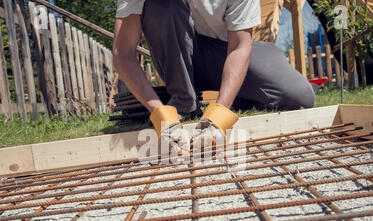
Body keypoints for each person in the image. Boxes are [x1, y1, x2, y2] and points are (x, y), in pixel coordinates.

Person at [113, 0, 315, 156]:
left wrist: (220, 113)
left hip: (225, 53)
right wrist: (159, 112)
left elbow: (239, 47)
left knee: (299, 95)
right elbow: (123, 53)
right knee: (161, 4)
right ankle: (184, 103)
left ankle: (235, 97)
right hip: (177, 56)